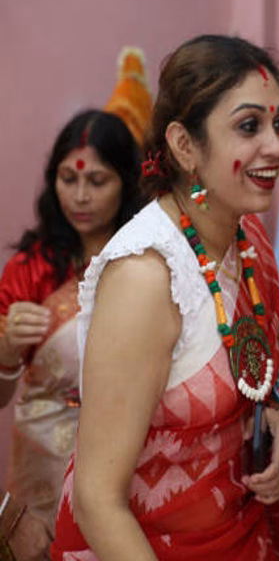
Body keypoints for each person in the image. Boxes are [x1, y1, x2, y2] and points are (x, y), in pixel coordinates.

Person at [50, 35, 279, 561]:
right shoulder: (147, 277)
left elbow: (278, 370)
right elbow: (97, 502)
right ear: (185, 146)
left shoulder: (247, 238)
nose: (277, 147)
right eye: (248, 126)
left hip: (241, 537)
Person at [0, 108, 144, 557]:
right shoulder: (32, 269)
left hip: (129, 451)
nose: (80, 196)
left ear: (127, 183)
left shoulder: (146, 261)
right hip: (40, 465)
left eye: (97, 181)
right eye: (68, 179)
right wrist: (6, 350)